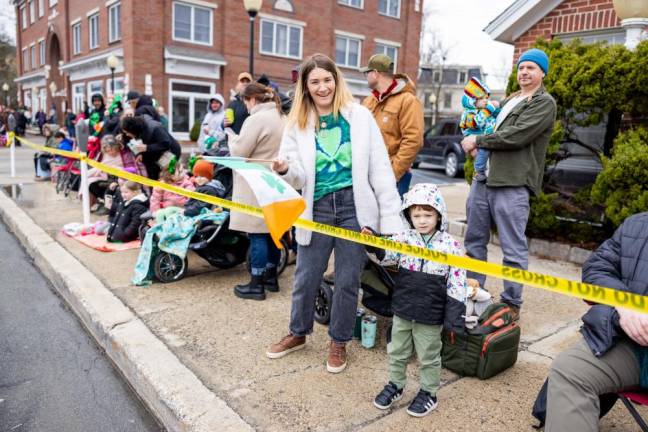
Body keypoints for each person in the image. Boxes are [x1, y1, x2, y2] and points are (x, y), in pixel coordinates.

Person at [266, 53, 402, 373]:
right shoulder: (297, 123)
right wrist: (285, 169)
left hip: (355, 208)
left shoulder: (359, 116)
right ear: (306, 86)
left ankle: (339, 340)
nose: (322, 86)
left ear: (336, 80)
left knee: (347, 280)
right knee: (306, 276)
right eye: (315, 82)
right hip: (317, 208)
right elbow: (297, 175)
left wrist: (390, 219)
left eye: (327, 79)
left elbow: (380, 169)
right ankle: (298, 333)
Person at [460, 48, 557, 321]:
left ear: (542, 73)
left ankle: (511, 303)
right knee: (474, 241)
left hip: (512, 183)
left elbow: (516, 135)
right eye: (522, 67)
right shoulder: (511, 100)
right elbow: (489, 126)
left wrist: (478, 142)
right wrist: (474, 132)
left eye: (531, 68)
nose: (524, 72)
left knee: (513, 248)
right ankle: (473, 291)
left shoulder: (543, 103)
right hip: (483, 180)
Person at [368, 183, 467, 417]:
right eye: (416, 215)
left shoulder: (451, 246)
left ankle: (429, 393)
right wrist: (373, 241)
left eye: (428, 214)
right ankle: (395, 384)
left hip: (430, 314)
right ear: (408, 216)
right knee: (397, 350)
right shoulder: (404, 238)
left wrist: (454, 318)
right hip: (403, 308)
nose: (422, 220)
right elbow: (386, 254)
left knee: (429, 356)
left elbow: (457, 283)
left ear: (439, 214)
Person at [544, 212, 648, 431]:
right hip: (634, 345)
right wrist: (625, 303)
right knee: (569, 369)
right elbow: (596, 267)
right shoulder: (636, 224)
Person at [228, 82, 286, 300]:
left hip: (255, 183)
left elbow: (240, 151)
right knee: (272, 231)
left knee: (257, 234)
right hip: (276, 182)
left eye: (245, 102)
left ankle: (256, 284)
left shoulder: (256, 119)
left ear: (252, 99)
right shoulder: (281, 116)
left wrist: (232, 138)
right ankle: (271, 278)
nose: (245, 107)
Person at [362, 54, 423, 197]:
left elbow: (413, 140)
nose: (366, 76)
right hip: (366, 176)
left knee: (390, 219)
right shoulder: (368, 101)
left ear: (376, 74)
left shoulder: (408, 101)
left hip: (393, 179)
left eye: (367, 72)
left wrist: (393, 174)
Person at [459, 77, 501, 182]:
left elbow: (495, 115)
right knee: (483, 151)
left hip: (484, 138)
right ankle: (479, 172)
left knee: (486, 154)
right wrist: (489, 109)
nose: (486, 101)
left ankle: (483, 170)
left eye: (487, 98)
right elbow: (475, 123)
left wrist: (497, 109)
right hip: (475, 138)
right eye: (482, 98)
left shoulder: (483, 109)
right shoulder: (469, 113)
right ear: (473, 100)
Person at [120, 115, 182, 180]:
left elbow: (165, 143)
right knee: (153, 175)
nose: (127, 135)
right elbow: (130, 142)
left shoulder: (155, 128)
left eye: (127, 133)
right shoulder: (136, 130)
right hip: (152, 155)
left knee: (168, 176)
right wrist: (138, 154)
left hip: (170, 152)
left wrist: (147, 148)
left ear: (133, 129)